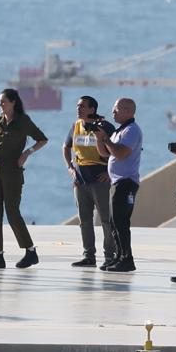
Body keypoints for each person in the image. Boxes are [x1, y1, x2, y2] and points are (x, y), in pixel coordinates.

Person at [0, 88, 48, 269]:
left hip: (13, 170)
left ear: (13, 102)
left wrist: (27, 153)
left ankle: (30, 251)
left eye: (3, 101)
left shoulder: (23, 121)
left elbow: (42, 139)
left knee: (12, 212)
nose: (0, 104)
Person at [63, 95, 118, 268]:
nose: (78, 108)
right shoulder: (76, 126)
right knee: (84, 220)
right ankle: (89, 256)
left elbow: (118, 151)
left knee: (105, 220)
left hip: (99, 179)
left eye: (83, 106)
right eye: (78, 105)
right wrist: (70, 168)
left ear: (92, 109)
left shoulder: (106, 127)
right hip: (80, 180)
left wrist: (110, 173)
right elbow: (66, 147)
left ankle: (110, 256)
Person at [96, 96, 143, 272]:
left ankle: (127, 259)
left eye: (117, 109)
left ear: (128, 111)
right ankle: (119, 256)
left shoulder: (131, 130)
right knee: (114, 222)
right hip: (117, 182)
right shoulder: (119, 131)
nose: (113, 112)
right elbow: (105, 154)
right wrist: (99, 137)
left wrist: (107, 139)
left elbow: (121, 154)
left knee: (121, 222)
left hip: (126, 182)